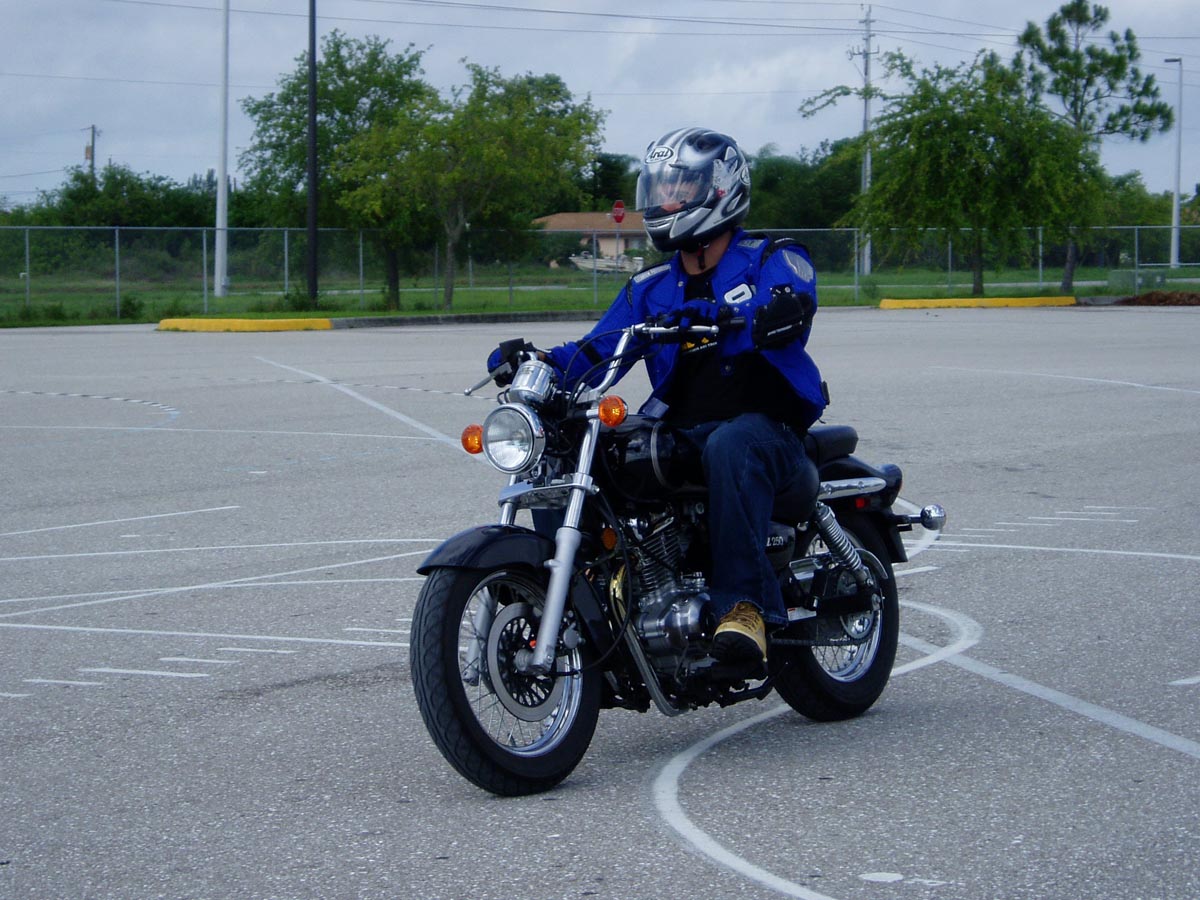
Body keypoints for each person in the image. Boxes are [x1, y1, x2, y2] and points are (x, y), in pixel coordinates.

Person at [488, 126, 826, 666]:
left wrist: (756, 314)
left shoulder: (771, 257)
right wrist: (540, 363)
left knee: (732, 445)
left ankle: (744, 608)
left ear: (721, 188)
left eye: (680, 188)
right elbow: (598, 350)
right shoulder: (650, 288)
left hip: (768, 428)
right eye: (660, 188)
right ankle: (591, 599)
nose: (666, 200)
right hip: (683, 428)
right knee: (576, 446)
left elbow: (792, 299)